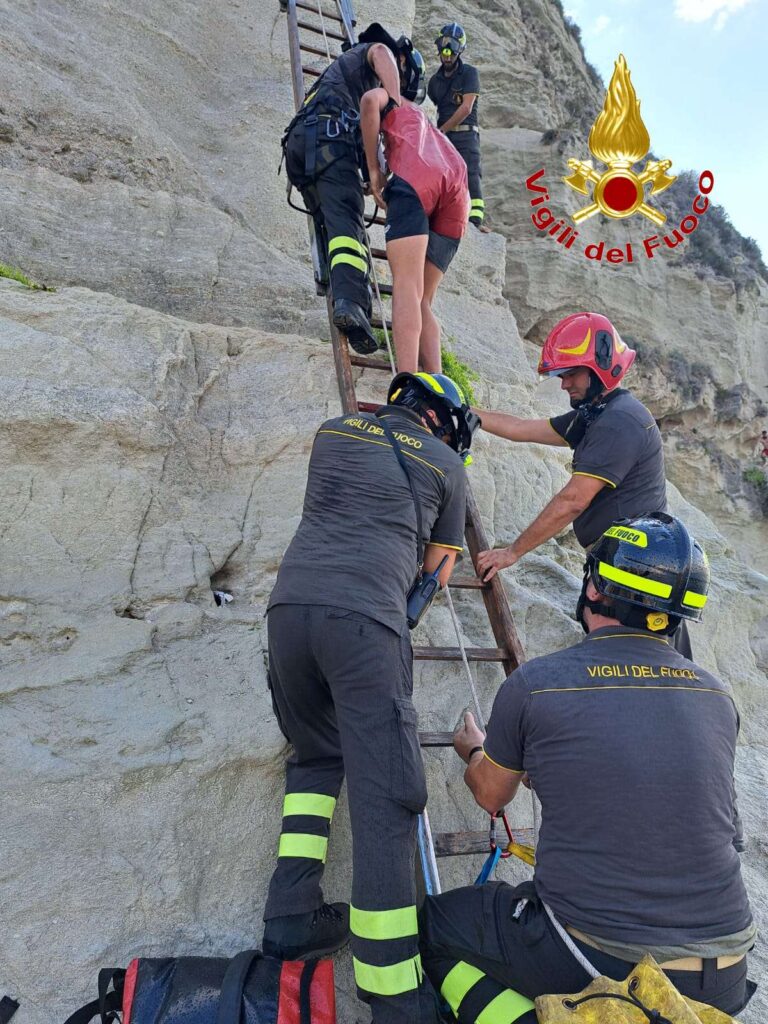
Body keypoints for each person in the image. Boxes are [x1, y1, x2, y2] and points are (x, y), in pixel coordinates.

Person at [419, 513, 756, 1022]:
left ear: (595, 588)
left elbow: (490, 795)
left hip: (610, 961)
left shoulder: (538, 684)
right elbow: (718, 826)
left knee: (435, 927)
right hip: (725, 975)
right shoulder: (716, 695)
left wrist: (474, 751)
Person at [262, 372, 480, 1024]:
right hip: (365, 623)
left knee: (316, 755)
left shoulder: (332, 433)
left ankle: (290, 914)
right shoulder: (446, 465)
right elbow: (438, 568)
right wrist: (404, 613)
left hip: (288, 614)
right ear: (442, 423)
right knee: (387, 794)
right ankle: (393, 992)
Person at [474, 311, 699, 651]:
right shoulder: (597, 415)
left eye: (570, 373)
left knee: (636, 661)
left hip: (637, 577)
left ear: (600, 368)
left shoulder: (619, 422)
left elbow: (573, 500)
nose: (564, 383)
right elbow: (521, 428)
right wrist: (465, 411)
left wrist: (511, 553)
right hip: (628, 566)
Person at [281, 24, 422, 354]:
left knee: (333, 224)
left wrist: (371, 175)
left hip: (302, 147)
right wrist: (395, 106)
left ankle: (340, 287)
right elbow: (382, 54)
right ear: (403, 61)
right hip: (327, 141)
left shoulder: (347, 81)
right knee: (347, 223)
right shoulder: (379, 52)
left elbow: (363, 144)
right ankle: (351, 305)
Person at [360, 56, 469, 374]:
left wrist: (374, 170)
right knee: (423, 301)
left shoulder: (389, 97)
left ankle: (406, 378)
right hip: (457, 183)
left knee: (407, 285)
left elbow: (369, 102)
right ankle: (436, 386)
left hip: (416, 174)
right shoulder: (421, 116)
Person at [427, 23, 486, 230]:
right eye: (444, 50)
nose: (447, 55)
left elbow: (466, 108)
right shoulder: (434, 82)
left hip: (466, 136)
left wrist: (441, 131)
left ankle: (475, 221)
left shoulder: (469, 73)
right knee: (445, 178)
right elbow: (429, 109)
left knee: (471, 175)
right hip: (444, 138)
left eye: (451, 50)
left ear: (459, 50)